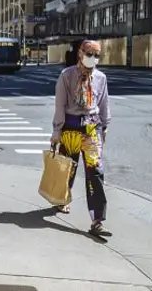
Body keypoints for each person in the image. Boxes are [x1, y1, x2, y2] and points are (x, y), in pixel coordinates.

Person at [50, 40, 112, 237]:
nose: (92, 58)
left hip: (92, 128)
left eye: (96, 55)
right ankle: (63, 200)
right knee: (68, 168)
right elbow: (60, 105)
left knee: (96, 172)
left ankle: (97, 219)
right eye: (89, 53)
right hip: (70, 127)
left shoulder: (101, 78)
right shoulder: (67, 76)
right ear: (80, 53)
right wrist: (56, 131)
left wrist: (105, 126)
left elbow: (104, 103)